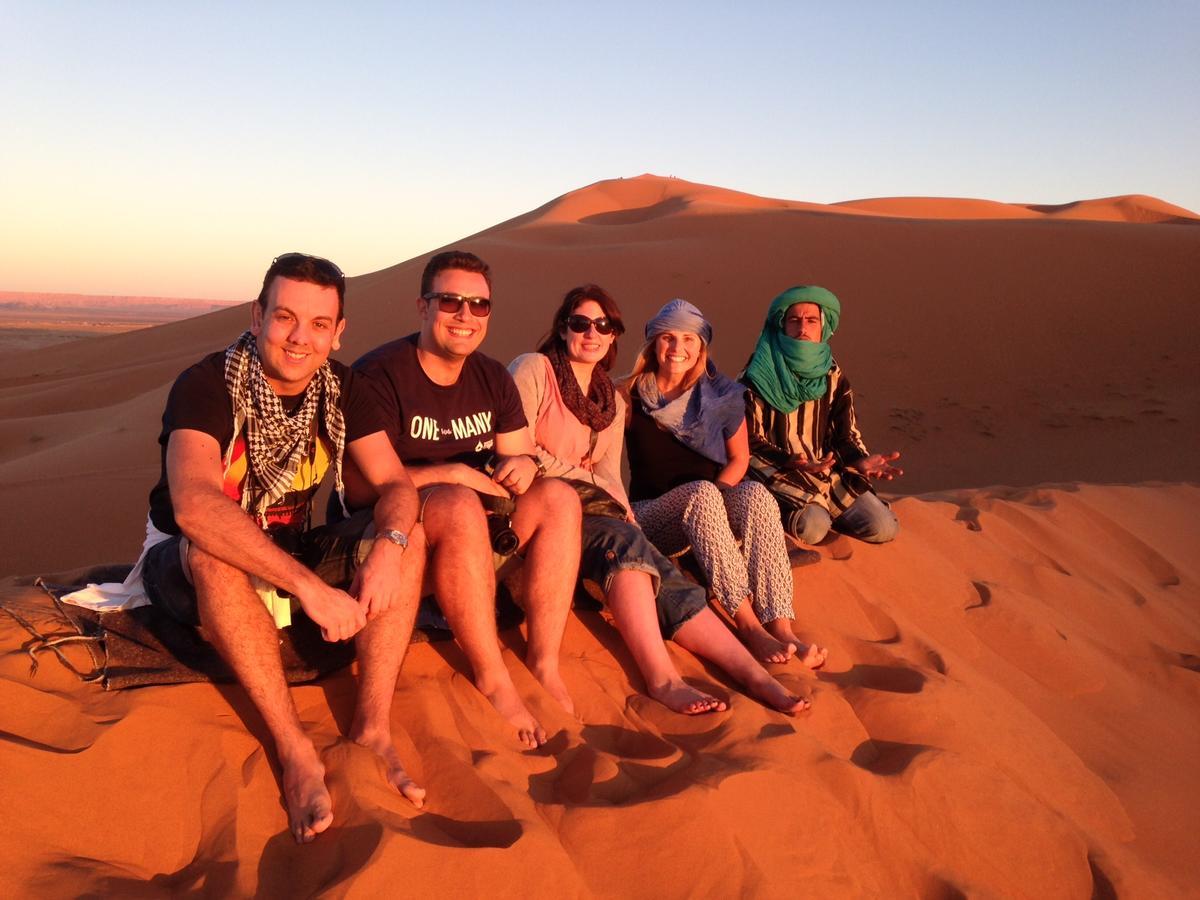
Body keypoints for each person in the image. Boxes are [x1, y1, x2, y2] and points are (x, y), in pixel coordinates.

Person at [122, 253, 425, 844]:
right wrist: (310, 589)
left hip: (287, 545)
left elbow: (395, 486)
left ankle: (373, 729)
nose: (299, 337)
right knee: (215, 551)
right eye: (285, 317)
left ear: (339, 333)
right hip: (184, 557)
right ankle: (295, 753)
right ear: (258, 315)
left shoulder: (342, 390)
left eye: (318, 324)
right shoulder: (208, 384)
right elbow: (195, 508)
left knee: (408, 534)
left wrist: (389, 547)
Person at [509, 286, 809, 715]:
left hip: (611, 508)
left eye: (604, 326)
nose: (592, 333)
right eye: (580, 323)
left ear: (614, 336)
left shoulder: (609, 398)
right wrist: (604, 490)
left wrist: (619, 506)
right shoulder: (552, 373)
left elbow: (609, 471)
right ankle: (669, 676)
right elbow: (518, 448)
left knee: (671, 557)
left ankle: (761, 660)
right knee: (640, 541)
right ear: (562, 328)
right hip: (549, 503)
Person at [343, 250, 581, 749]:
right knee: (452, 500)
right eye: (450, 301)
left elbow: (518, 455)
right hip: (390, 527)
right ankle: (493, 676)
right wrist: (448, 473)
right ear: (423, 307)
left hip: (480, 523)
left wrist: (526, 465)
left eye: (479, 305)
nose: (465, 316)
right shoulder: (378, 376)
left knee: (559, 497)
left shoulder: (492, 377)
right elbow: (361, 487)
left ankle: (544, 660)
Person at [622, 299, 828, 669]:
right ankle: (749, 627)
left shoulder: (722, 396)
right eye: (668, 338)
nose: (677, 349)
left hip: (706, 508)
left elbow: (740, 459)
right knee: (701, 495)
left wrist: (717, 500)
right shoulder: (628, 395)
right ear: (653, 342)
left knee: (754, 494)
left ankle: (781, 625)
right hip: (650, 516)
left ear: (701, 346)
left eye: (688, 339)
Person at [741, 286, 901, 549]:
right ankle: (787, 517)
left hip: (828, 472)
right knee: (813, 529)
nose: (803, 327)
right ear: (782, 326)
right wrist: (790, 461)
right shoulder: (758, 376)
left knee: (883, 527)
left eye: (811, 320)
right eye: (794, 320)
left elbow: (845, 434)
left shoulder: (834, 377)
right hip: (776, 473)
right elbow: (746, 441)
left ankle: (826, 510)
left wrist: (859, 461)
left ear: (823, 327)